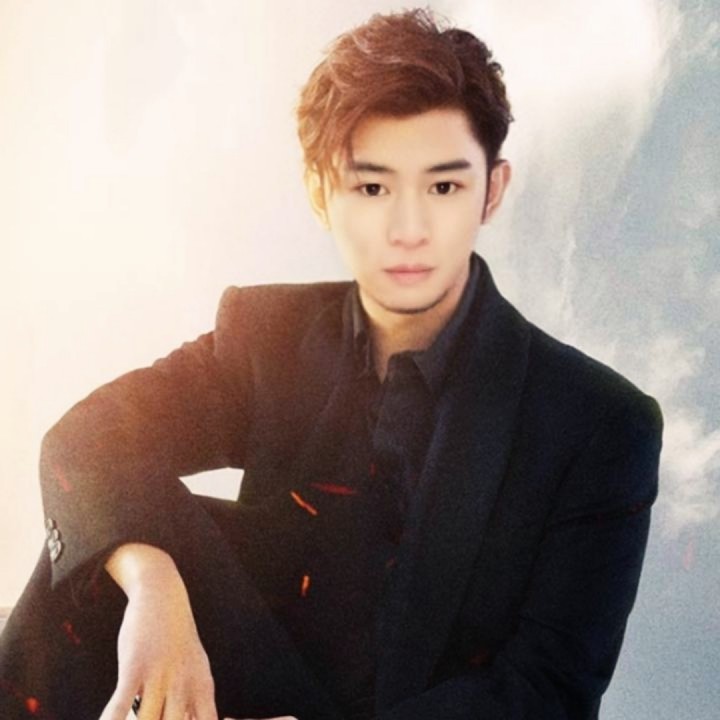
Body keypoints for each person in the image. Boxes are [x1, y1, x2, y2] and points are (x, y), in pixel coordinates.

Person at [0, 8, 662, 720]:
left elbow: (547, 692)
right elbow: (87, 438)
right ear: (322, 194)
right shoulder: (268, 337)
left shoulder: (599, 424)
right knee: (104, 551)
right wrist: (152, 585)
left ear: (491, 191)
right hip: (235, 690)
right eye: (372, 188)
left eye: (443, 187)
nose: (408, 229)